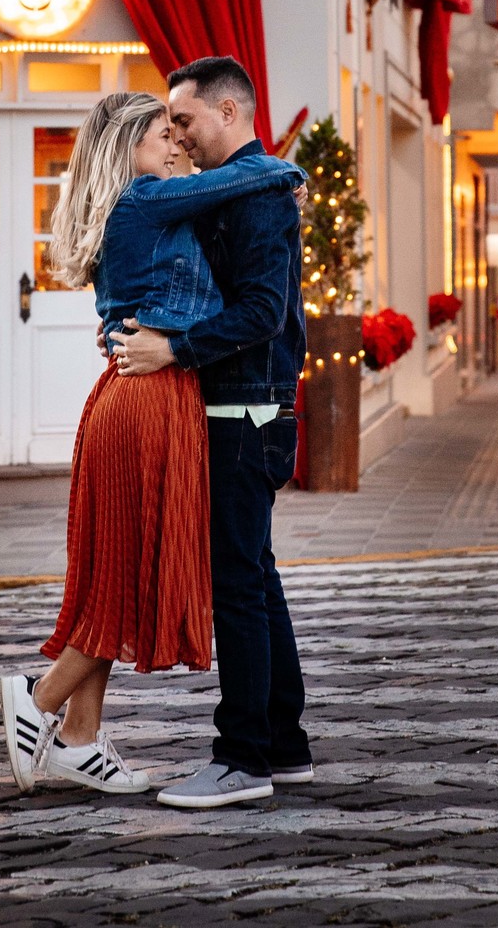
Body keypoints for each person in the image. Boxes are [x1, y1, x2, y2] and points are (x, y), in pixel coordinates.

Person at [0, 90, 304, 797]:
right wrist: (283, 171)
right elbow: (231, 179)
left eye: (178, 132)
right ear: (126, 149)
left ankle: (79, 737)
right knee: (126, 575)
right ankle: (39, 698)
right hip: (144, 400)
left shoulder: (148, 204)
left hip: (150, 395)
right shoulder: (141, 200)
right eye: (163, 136)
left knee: (122, 570)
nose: (176, 148)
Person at [111, 55, 313, 810]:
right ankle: (283, 748)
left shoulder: (258, 196)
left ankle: (242, 759)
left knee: (238, 586)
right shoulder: (239, 189)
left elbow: (263, 310)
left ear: (230, 113)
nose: (181, 137)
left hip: (244, 412)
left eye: (186, 120)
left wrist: (174, 349)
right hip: (248, 408)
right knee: (255, 579)